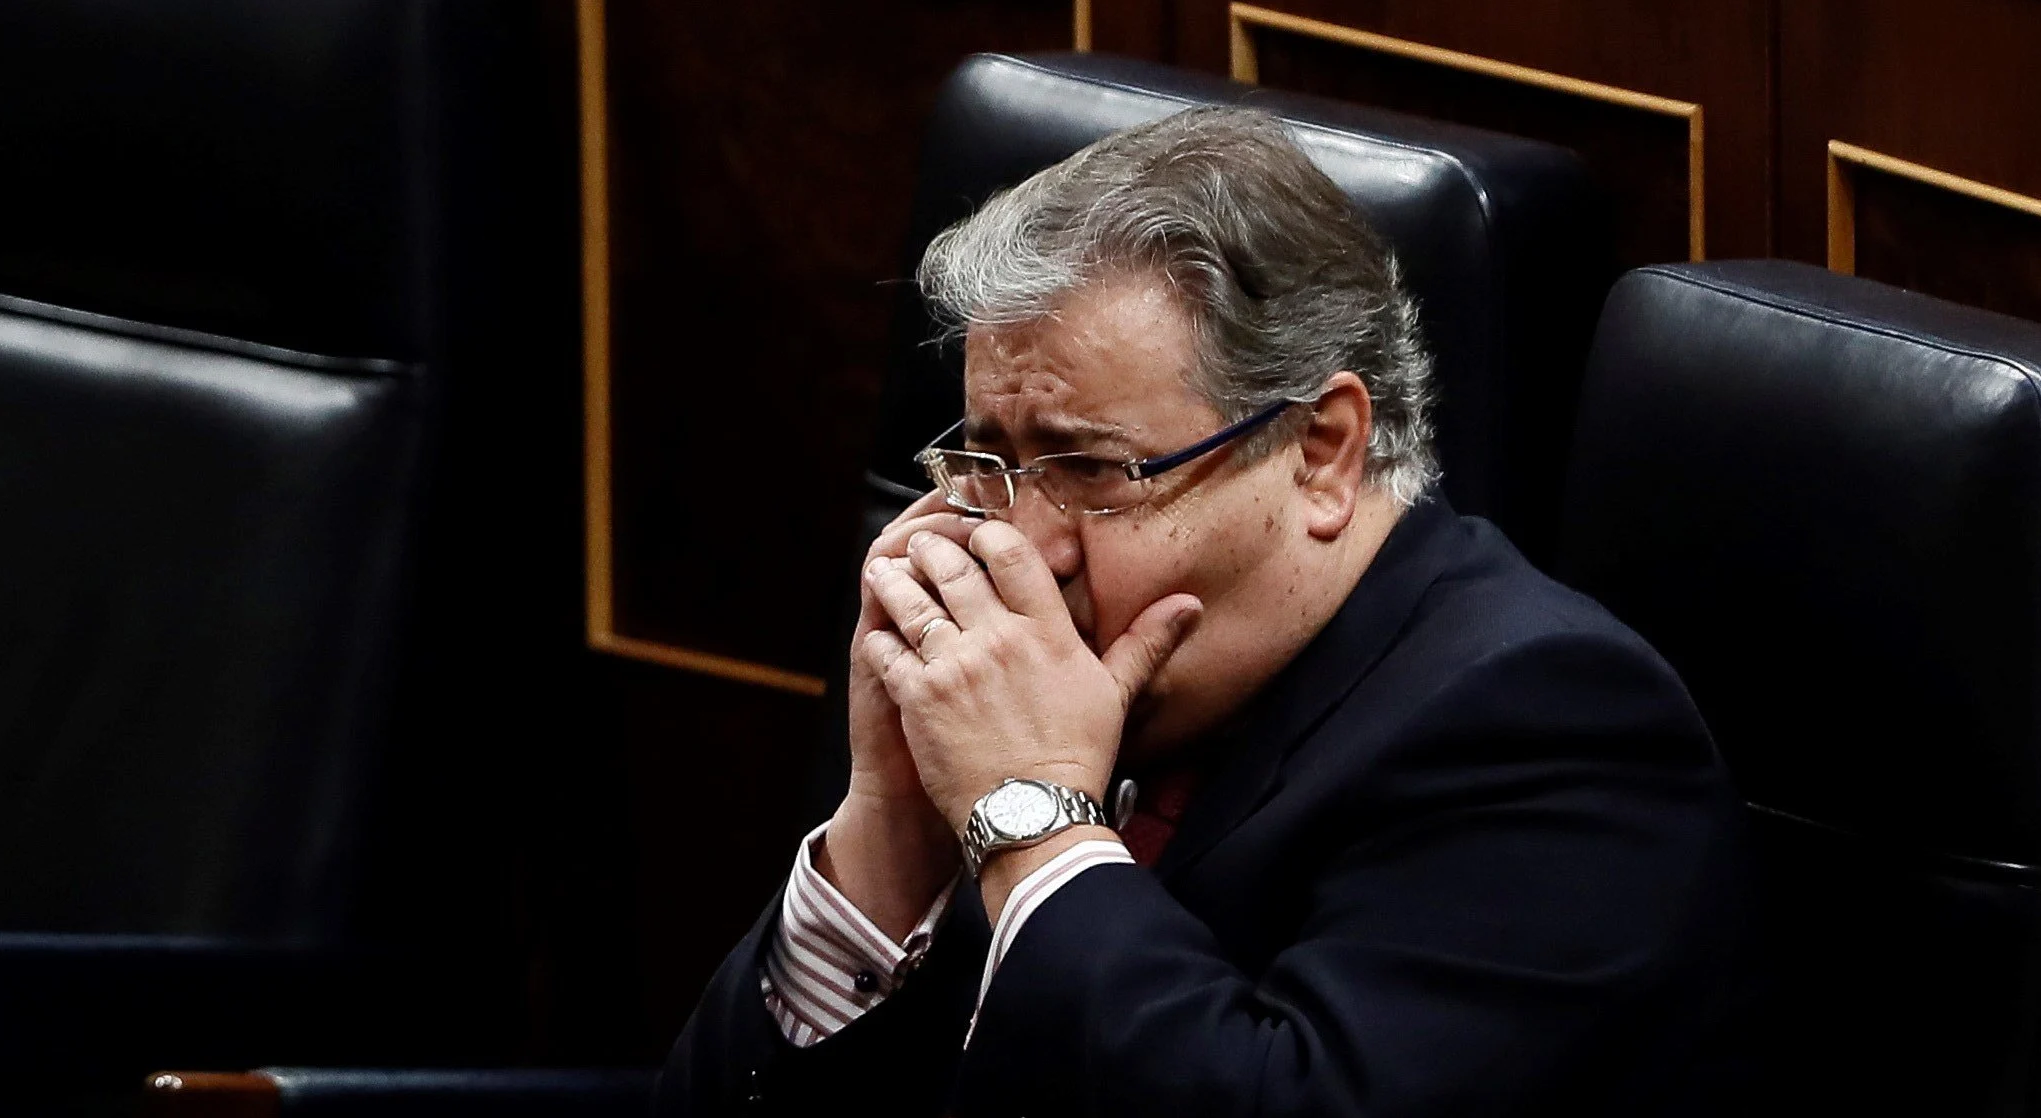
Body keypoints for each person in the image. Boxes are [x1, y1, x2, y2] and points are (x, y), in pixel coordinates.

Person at [663, 110, 1742, 1118]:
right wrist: (889, 834)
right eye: (990, 458)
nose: (1026, 548)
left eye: (1088, 465)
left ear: (1320, 452)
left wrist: (1037, 828)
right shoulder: (1007, 709)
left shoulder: (1544, 727)